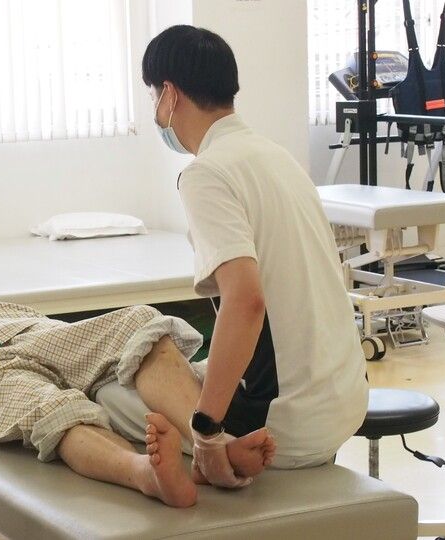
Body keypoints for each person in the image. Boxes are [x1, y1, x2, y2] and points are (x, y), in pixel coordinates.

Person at [0, 254, 275, 508]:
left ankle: (211, 443)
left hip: (43, 334)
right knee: (52, 409)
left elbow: (68, 331)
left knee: (138, 321)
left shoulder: (1, 305)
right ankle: (146, 475)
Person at [142, 25, 369, 486]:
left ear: (169, 94)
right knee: (170, 365)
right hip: (344, 400)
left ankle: (220, 450)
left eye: (152, 96)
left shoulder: (206, 173)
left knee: (119, 381)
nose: (155, 109)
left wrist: (206, 429)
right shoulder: (276, 157)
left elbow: (246, 301)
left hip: (284, 423)